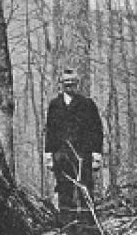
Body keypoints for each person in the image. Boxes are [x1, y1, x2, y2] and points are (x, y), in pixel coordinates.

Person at [44, 68, 103, 228]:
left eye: (73, 82)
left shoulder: (87, 104)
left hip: (83, 154)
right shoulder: (54, 105)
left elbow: (96, 130)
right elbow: (50, 131)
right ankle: (67, 223)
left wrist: (96, 155)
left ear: (78, 84)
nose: (69, 85)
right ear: (61, 84)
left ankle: (88, 224)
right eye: (66, 82)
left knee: (85, 187)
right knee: (64, 188)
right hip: (61, 155)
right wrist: (49, 156)